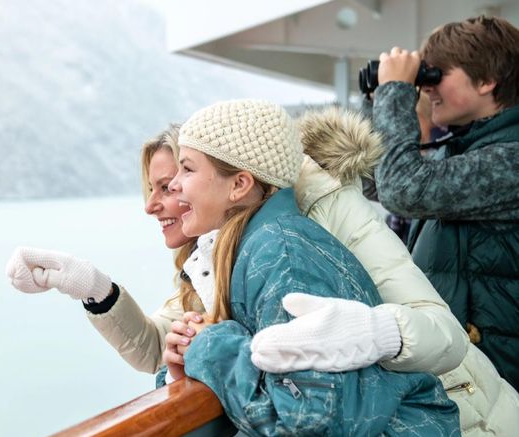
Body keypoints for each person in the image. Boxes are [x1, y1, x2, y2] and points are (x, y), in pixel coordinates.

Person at [163, 99, 459, 435]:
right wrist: (185, 362)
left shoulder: (281, 253)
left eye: (187, 168)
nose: (174, 185)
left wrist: (209, 346)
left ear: (239, 185)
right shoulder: (257, 246)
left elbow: (307, 420)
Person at [243, 107, 519, 435]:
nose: (170, 191)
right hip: (444, 386)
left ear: (240, 181)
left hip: (468, 402)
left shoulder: (328, 204)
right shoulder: (216, 250)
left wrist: (393, 94)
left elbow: (401, 186)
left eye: (185, 172)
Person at [371, 15, 519, 390]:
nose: (426, 89)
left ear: (487, 81)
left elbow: (402, 189)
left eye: (434, 75)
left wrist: (396, 94)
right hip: (467, 370)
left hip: (500, 377)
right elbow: (373, 179)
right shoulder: (461, 150)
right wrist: (380, 98)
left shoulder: (511, 160)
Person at [5, 125, 201, 374]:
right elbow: (156, 348)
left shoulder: (235, 265)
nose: (149, 206)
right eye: (151, 189)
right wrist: (97, 290)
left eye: (166, 188)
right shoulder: (200, 266)